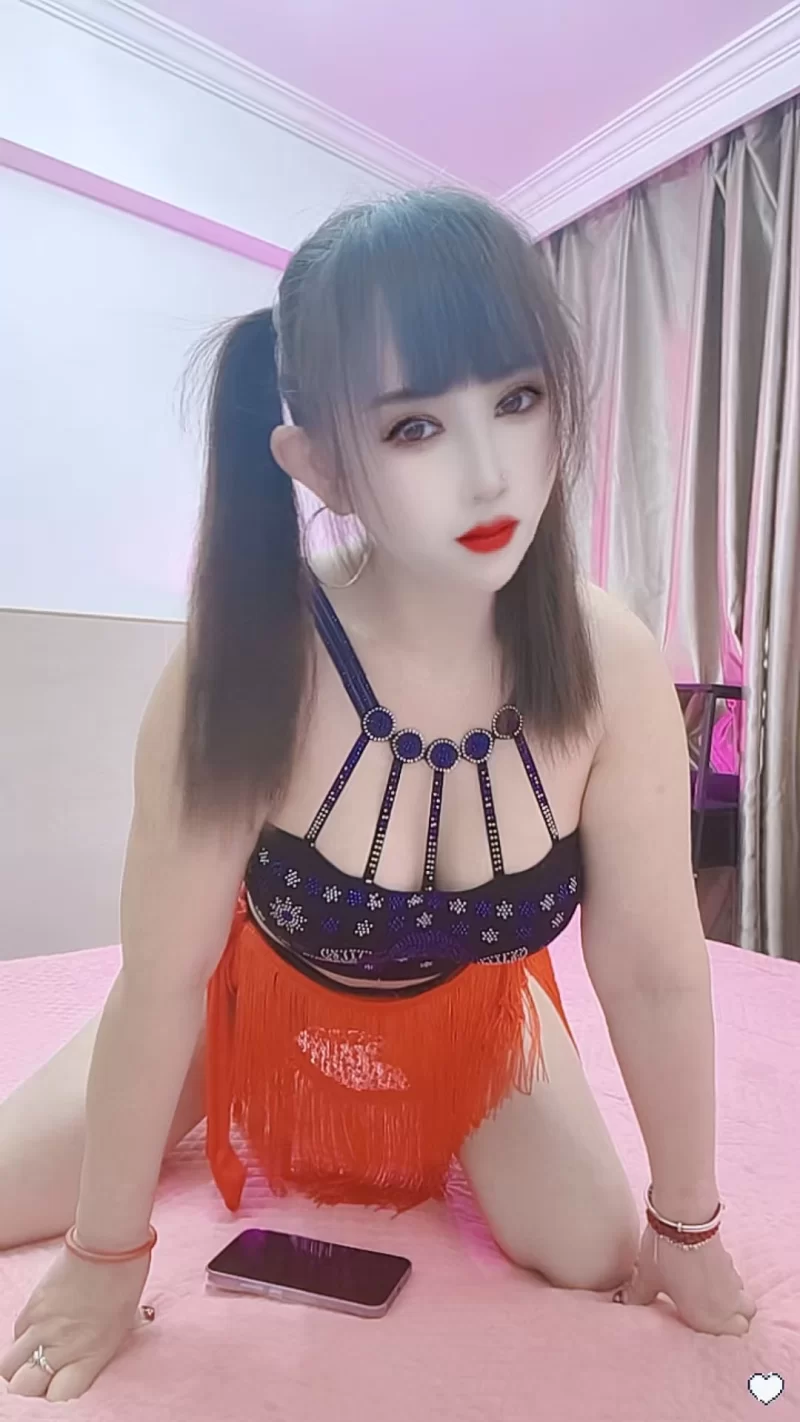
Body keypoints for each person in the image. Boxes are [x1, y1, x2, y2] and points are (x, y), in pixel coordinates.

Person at [0, 186, 755, 1402]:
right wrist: (105, 1252)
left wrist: (688, 1219)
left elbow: (655, 970)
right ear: (318, 466)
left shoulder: (608, 663)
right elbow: (161, 976)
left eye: (517, 399)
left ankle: (426, 1119)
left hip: (473, 1021)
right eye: (413, 427)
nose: (489, 473)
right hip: (240, 1008)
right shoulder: (249, 661)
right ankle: (245, 1102)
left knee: (589, 1251)